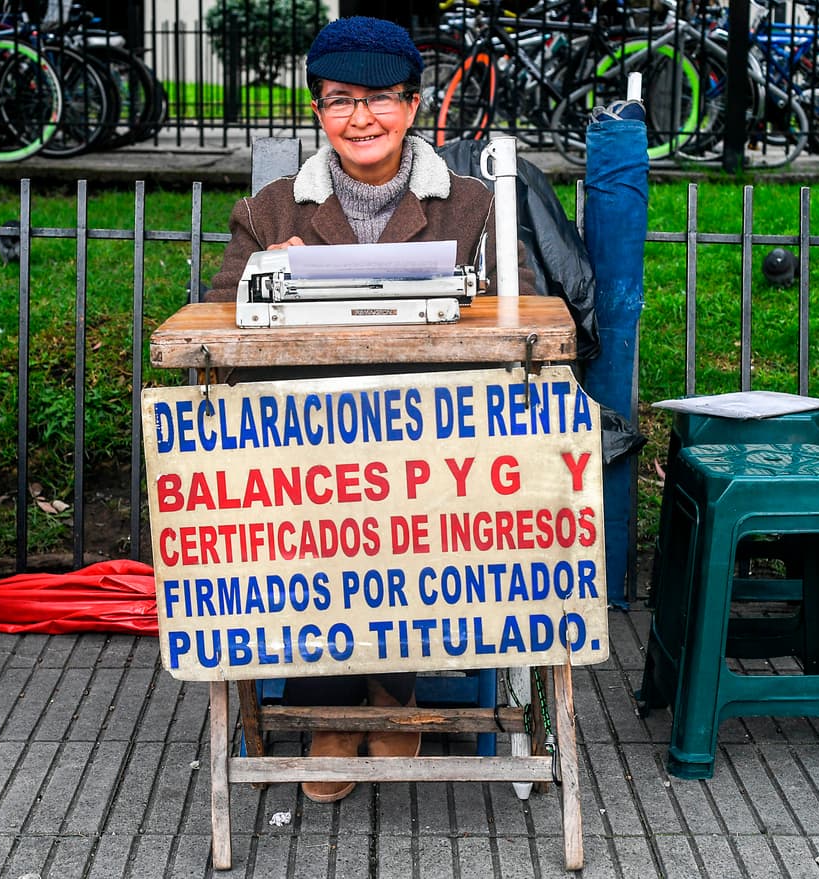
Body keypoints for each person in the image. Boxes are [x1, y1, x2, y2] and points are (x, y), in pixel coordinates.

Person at [207, 15, 534, 804]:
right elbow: (215, 340)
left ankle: (392, 691)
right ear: (318, 110)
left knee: (410, 500)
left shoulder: (474, 207)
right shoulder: (270, 212)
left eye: (380, 98)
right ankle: (331, 705)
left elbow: (521, 327)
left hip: (437, 449)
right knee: (315, 502)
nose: (361, 118)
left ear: (412, 106)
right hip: (304, 454)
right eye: (339, 100)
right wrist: (262, 282)